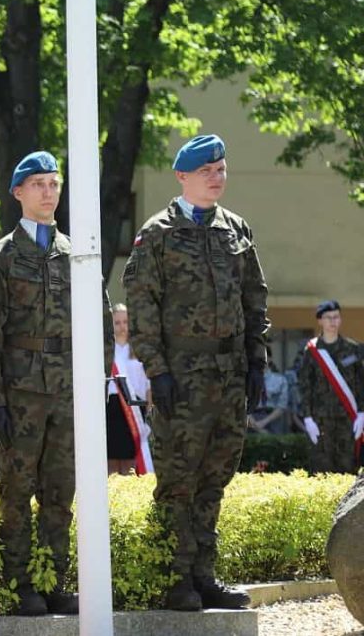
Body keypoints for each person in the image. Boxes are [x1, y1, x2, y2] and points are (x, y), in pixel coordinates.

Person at [124, 134, 269, 611]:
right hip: (181, 377)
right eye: (206, 171)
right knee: (178, 481)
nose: (216, 177)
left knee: (215, 478)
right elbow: (142, 307)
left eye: (221, 169)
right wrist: (157, 371)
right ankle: (174, 578)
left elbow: (254, 298)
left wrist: (256, 361)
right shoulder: (158, 234)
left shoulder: (236, 229)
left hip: (229, 375)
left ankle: (204, 576)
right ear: (182, 176)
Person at [0, 150, 112, 616]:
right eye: (38, 184)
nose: (48, 192)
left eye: (54, 184)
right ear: (17, 193)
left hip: (69, 392)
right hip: (21, 393)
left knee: (60, 491)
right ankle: (18, 585)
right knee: (16, 490)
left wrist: (98, 385)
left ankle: (54, 582)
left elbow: (102, 325)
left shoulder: (79, 255)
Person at [298, 300, 363, 473]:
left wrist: (362, 413)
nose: (333, 321)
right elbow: (305, 385)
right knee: (321, 470)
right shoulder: (311, 350)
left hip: (348, 418)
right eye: (328, 317)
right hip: (320, 420)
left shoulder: (353, 349)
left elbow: (361, 383)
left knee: (348, 468)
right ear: (320, 320)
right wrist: (307, 417)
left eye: (336, 317)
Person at [107, 303, 151, 475]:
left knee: (132, 460)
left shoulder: (140, 349)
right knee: (111, 459)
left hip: (135, 408)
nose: (122, 326)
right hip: (111, 407)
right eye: (117, 323)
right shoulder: (106, 351)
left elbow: (148, 383)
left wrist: (150, 409)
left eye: (125, 322)